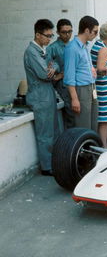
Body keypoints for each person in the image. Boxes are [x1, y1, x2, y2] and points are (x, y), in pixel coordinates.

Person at [24, 19, 59, 176]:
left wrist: (53, 67)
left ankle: (53, 162)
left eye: (51, 35)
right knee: (45, 134)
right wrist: (50, 69)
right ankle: (47, 167)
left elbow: (55, 64)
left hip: (47, 94)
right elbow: (44, 74)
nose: (49, 39)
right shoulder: (31, 52)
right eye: (47, 36)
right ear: (38, 34)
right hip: (40, 97)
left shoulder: (42, 50)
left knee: (53, 130)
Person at [64, 15, 99, 131]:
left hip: (91, 87)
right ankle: (84, 149)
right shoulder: (72, 48)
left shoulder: (85, 46)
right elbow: (69, 76)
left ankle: (92, 148)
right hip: (81, 90)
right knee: (83, 126)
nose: (96, 35)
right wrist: (74, 98)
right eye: (95, 31)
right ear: (87, 30)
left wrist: (92, 69)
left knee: (93, 124)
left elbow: (83, 66)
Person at [46, 18, 74, 129]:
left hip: (76, 84)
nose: (67, 35)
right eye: (64, 32)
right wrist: (58, 76)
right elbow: (47, 69)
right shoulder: (52, 48)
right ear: (57, 32)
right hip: (62, 87)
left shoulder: (74, 45)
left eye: (70, 31)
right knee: (70, 116)